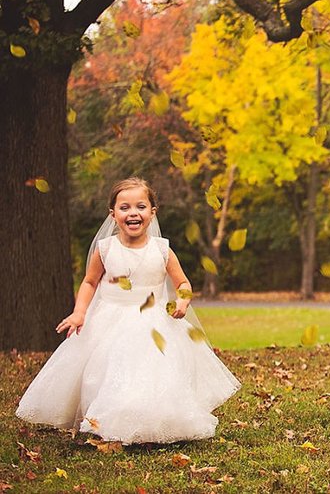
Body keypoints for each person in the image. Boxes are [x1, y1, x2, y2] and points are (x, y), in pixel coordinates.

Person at [16, 177, 240, 444]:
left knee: (156, 370)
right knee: (109, 368)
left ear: (152, 212)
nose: (133, 212)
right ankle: (108, 419)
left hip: (154, 322)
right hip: (111, 320)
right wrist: (79, 312)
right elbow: (89, 282)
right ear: (113, 214)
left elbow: (182, 283)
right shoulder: (106, 249)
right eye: (125, 207)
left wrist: (182, 301)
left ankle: (160, 418)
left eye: (140, 206)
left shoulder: (162, 249)